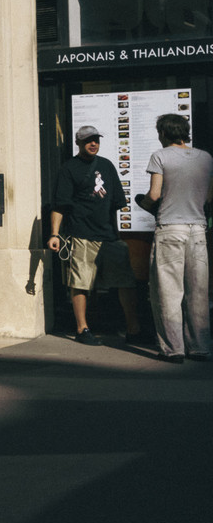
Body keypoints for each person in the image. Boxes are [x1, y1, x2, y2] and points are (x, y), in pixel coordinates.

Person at [48, 125, 142, 346]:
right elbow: (60, 205)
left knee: (125, 282)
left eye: (96, 140)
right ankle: (82, 328)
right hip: (81, 233)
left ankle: (134, 329)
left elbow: (116, 203)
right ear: (78, 142)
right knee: (80, 282)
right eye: (88, 140)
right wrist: (55, 234)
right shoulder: (69, 169)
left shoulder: (107, 165)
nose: (93, 143)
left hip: (109, 235)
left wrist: (116, 234)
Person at [144, 113, 213, 362]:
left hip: (170, 228)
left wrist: (142, 202)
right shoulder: (206, 158)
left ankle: (173, 349)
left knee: (169, 292)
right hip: (197, 229)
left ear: (163, 133)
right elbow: (208, 198)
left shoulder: (160, 156)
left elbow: (154, 194)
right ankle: (200, 346)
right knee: (198, 292)